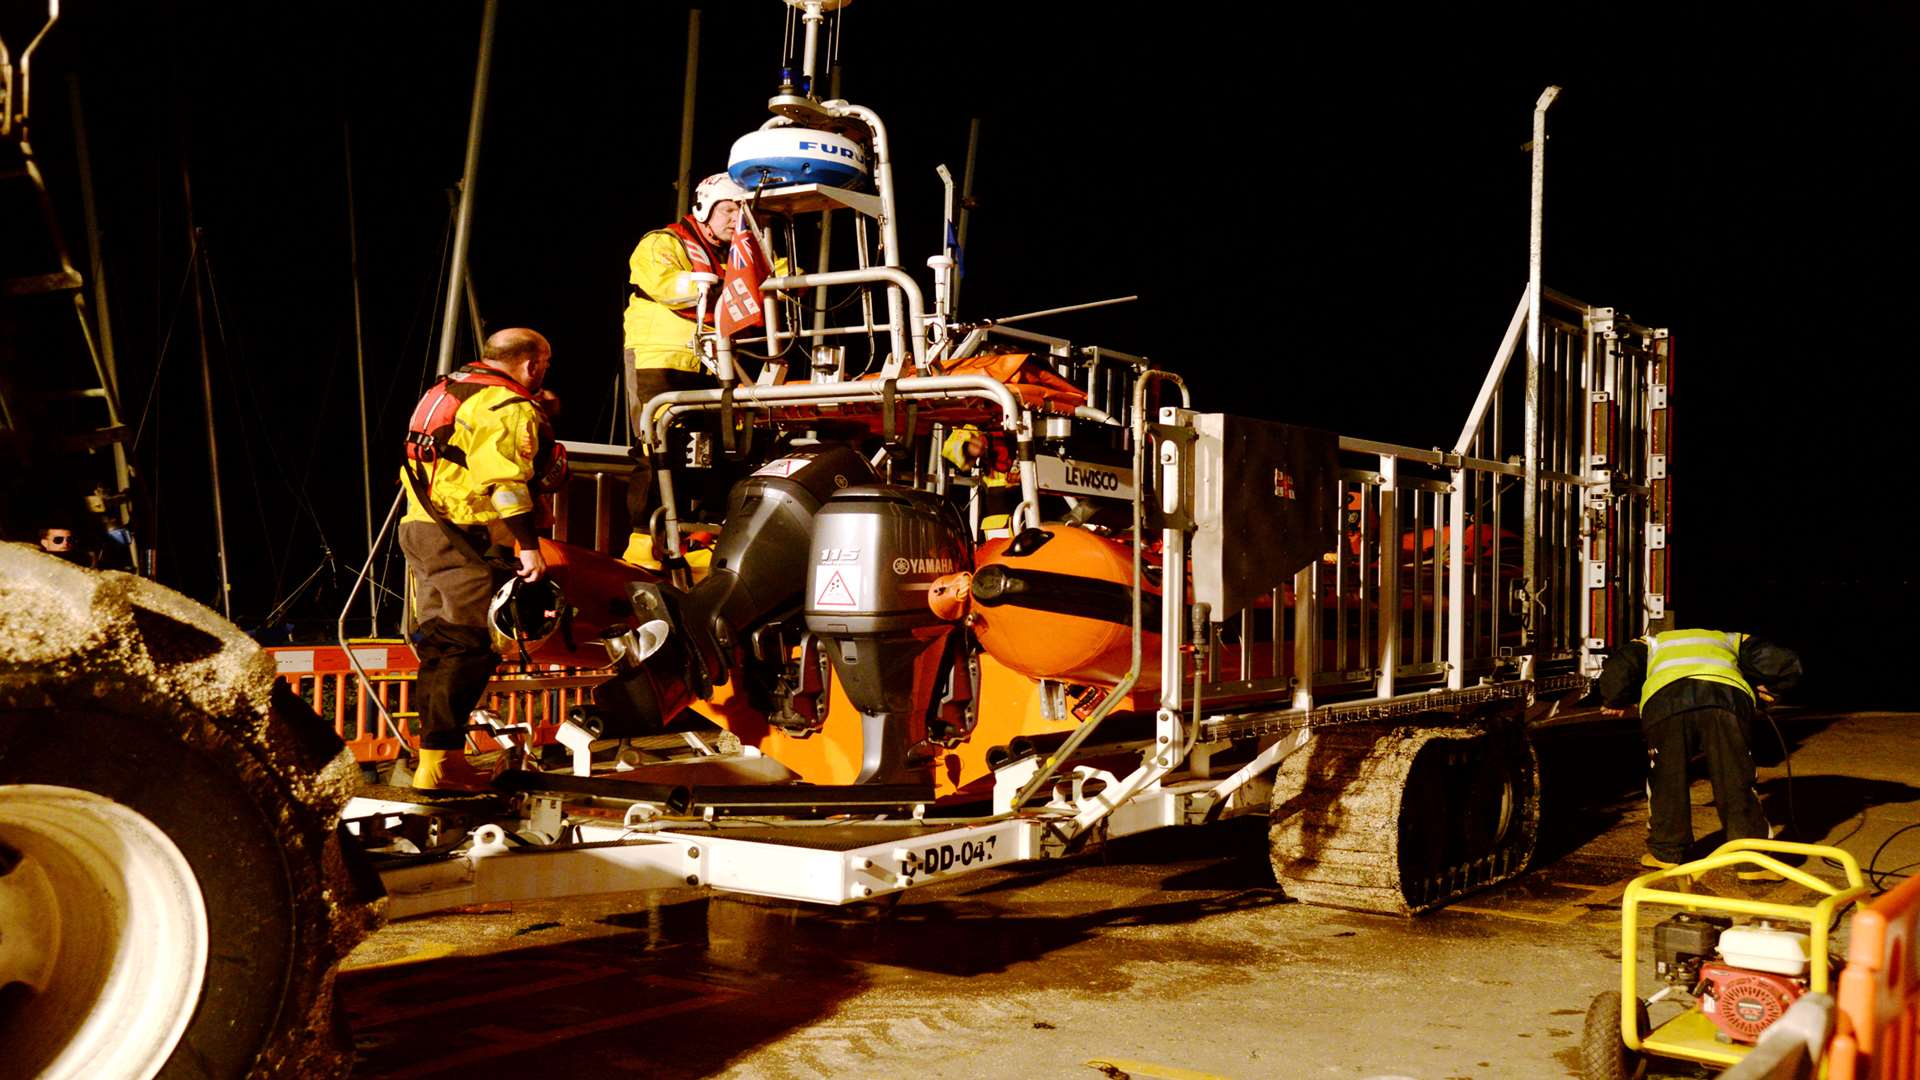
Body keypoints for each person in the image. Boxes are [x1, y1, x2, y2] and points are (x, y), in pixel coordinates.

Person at [398, 327, 561, 791]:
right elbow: (504, 483)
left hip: (421, 527)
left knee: (439, 645)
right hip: (461, 534)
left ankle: (429, 756)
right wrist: (528, 544)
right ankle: (441, 764)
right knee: (467, 645)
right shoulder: (504, 406)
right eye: (543, 366)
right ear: (530, 364)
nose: (541, 375)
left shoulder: (448, 388)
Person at [1594, 623, 1803, 880]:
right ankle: (1753, 863)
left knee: (1666, 780)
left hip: (1667, 706)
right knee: (1735, 780)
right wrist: (1771, 691)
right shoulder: (1732, 640)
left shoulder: (1651, 643)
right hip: (1725, 705)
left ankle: (1667, 853)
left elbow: (1619, 668)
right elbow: (1783, 662)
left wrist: (1613, 700)